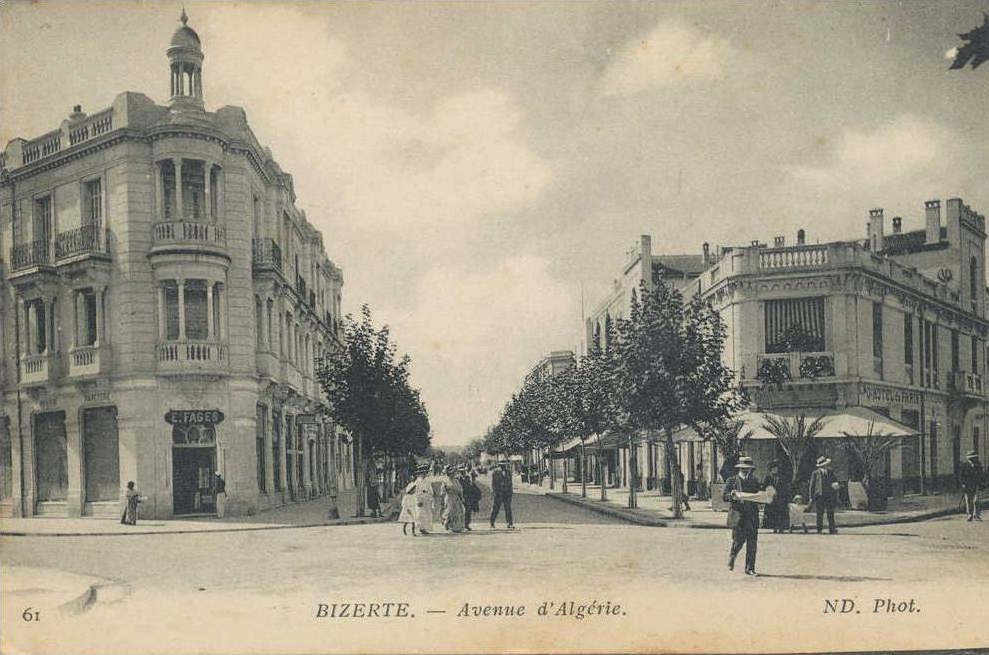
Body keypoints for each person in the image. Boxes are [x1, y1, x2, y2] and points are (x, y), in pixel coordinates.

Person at [723, 456, 762, 575]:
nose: (746, 470)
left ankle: (750, 568)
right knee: (738, 541)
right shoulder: (732, 481)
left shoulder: (754, 481)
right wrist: (731, 494)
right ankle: (732, 555)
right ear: (739, 468)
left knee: (752, 543)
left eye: (748, 468)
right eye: (743, 468)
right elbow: (724, 496)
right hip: (738, 516)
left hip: (751, 516)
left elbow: (759, 496)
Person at [808, 456, 839, 534]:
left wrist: (835, 486)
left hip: (829, 495)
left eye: (826, 464)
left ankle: (832, 529)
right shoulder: (815, 473)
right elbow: (812, 485)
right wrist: (811, 497)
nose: (826, 466)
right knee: (819, 513)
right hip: (819, 496)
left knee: (830, 513)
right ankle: (819, 528)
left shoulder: (830, 472)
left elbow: (835, 481)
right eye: (824, 464)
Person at [762, 460, 790, 534]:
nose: (775, 470)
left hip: (780, 499)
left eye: (776, 468)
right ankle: (774, 527)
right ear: (771, 469)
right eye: (774, 468)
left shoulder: (782, 478)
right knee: (772, 514)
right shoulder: (768, 477)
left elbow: (786, 488)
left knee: (781, 514)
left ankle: (781, 528)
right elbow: (764, 487)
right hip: (771, 499)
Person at [959, 451, 984, 521]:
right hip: (968, 486)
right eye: (971, 458)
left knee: (976, 500)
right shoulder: (964, 465)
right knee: (969, 501)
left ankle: (977, 514)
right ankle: (970, 515)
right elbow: (961, 476)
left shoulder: (978, 466)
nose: (973, 460)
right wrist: (963, 484)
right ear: (968, 459)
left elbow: (981, 475)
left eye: (974, 458)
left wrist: (982, 483)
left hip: (976, 485)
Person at [442, 465, 466, 533]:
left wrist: (462, 498)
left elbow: (460, 490)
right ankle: (448, 524)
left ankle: (457, 527)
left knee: (458, 511)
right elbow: (443, 491)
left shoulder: (456, 481)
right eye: (451, 473)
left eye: (453, 473)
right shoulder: (445, 481)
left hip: (456, 498)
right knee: (450, 512)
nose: (453, 474)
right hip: (449, 498)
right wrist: (442, 499)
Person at [490, 461, 515, 528]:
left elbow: (510, 483)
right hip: (498, 493)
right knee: (496, 508)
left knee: (508, 508)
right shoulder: (495, 472)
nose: (503, 467)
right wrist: (495, 492)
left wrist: (510, 492)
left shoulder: (508, 472)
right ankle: (492, 522)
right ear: (499, 465)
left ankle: (509, 523)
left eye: (504, 465)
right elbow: (493, 484)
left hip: (506, 493)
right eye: (501, 465)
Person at [412, 464, 434, 535]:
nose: (424, 474)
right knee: (420, 514)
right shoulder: (417, 482)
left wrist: (430, 496)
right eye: (423, 473)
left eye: (425, 473)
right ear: (420, 474)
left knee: (427, 514)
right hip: (420, 499)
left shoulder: (427, 481)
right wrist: (418, 500)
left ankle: (424, 528)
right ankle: (421, 528)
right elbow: (415, 491)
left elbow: (430, 490)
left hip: (426, 499)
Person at [460, 466, 481, 531]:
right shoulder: (457, 479)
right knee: (461, 511)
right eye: (461, 472)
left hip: (468, 497)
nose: (462, 473)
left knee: (468, 511)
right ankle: (461, 524)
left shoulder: (467, 478)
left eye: (463, 471)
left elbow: (471, 486)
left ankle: (467, 524)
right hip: (460, 496)